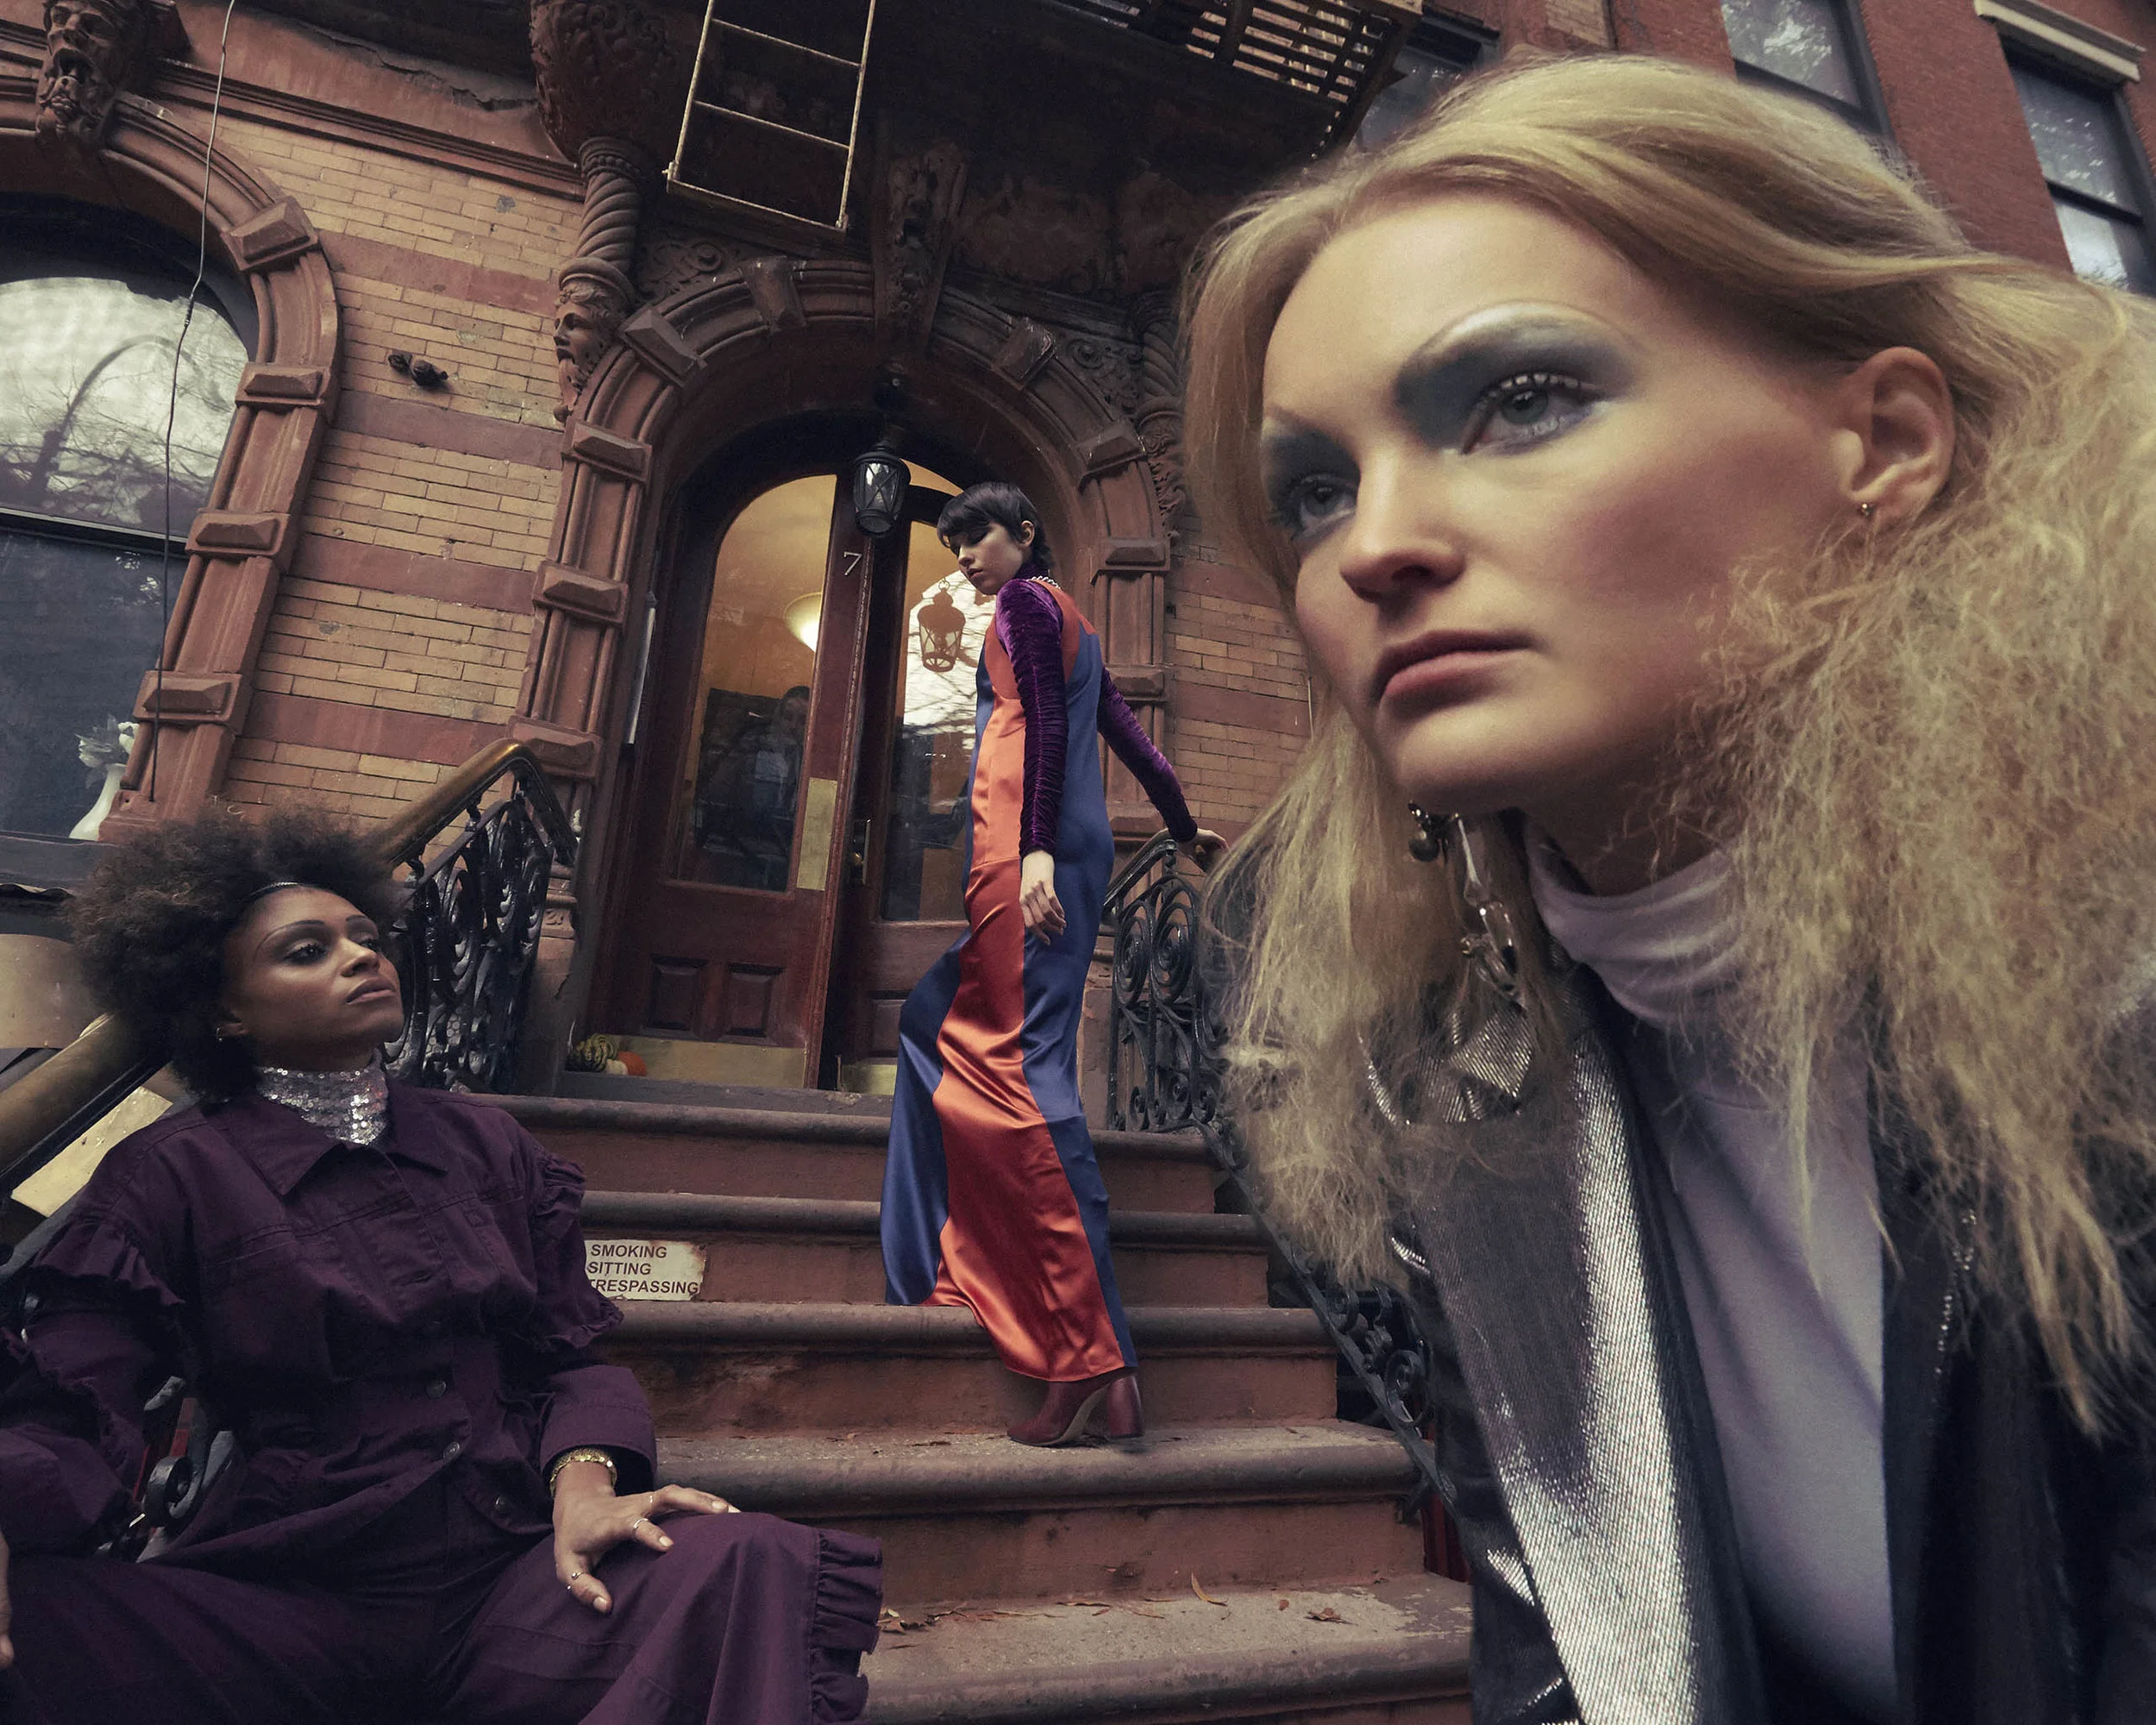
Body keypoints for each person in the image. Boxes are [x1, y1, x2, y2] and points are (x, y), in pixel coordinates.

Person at [1181, 51, 2156, 1725]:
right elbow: (1565, 1665)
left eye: (1518, 401)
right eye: (1313, 492)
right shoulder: (1458, 1103)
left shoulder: (2117, 947)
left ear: (1884, 442)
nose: (1373, 546)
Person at [0, 810, 881, 1723]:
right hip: (289, 1605)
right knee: (38, 1619)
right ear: (224, 1010)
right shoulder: (171, 1174)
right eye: (306, 951)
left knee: (749, 1560)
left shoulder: (483, 1142)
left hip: (514, 1579)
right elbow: (73, 1403)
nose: (360, 957)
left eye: (366, 938)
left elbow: (566, 1357)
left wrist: (584, 1488)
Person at [880, 483, 1220, 1446]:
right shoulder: (1073, 621)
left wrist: (1031, 850)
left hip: (1023, 852)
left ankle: (1091, 1353)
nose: (963, 558)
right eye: (952, 545)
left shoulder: (1027, 603)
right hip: (1052, 845)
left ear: (1023, 535)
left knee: (1023, 1077)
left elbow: (1053, 730)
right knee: (933, 1026)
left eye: (976, 538)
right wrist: (1182, 826)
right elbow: (1129, 735)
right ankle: (969, 1263)